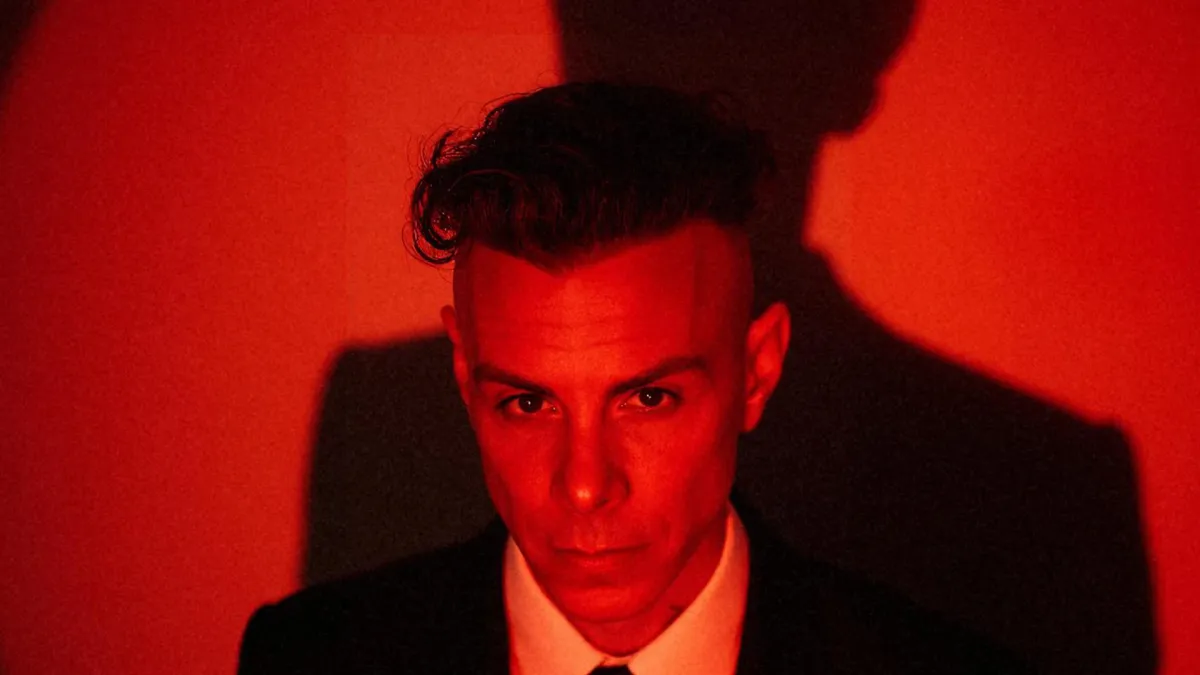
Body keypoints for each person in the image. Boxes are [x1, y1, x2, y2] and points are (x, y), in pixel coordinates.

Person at [238, 81, 1028, 674]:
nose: (585, 485)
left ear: (757, 372)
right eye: (527, 401)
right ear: (463, 374)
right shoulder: (309, 658)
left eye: (649, 398)